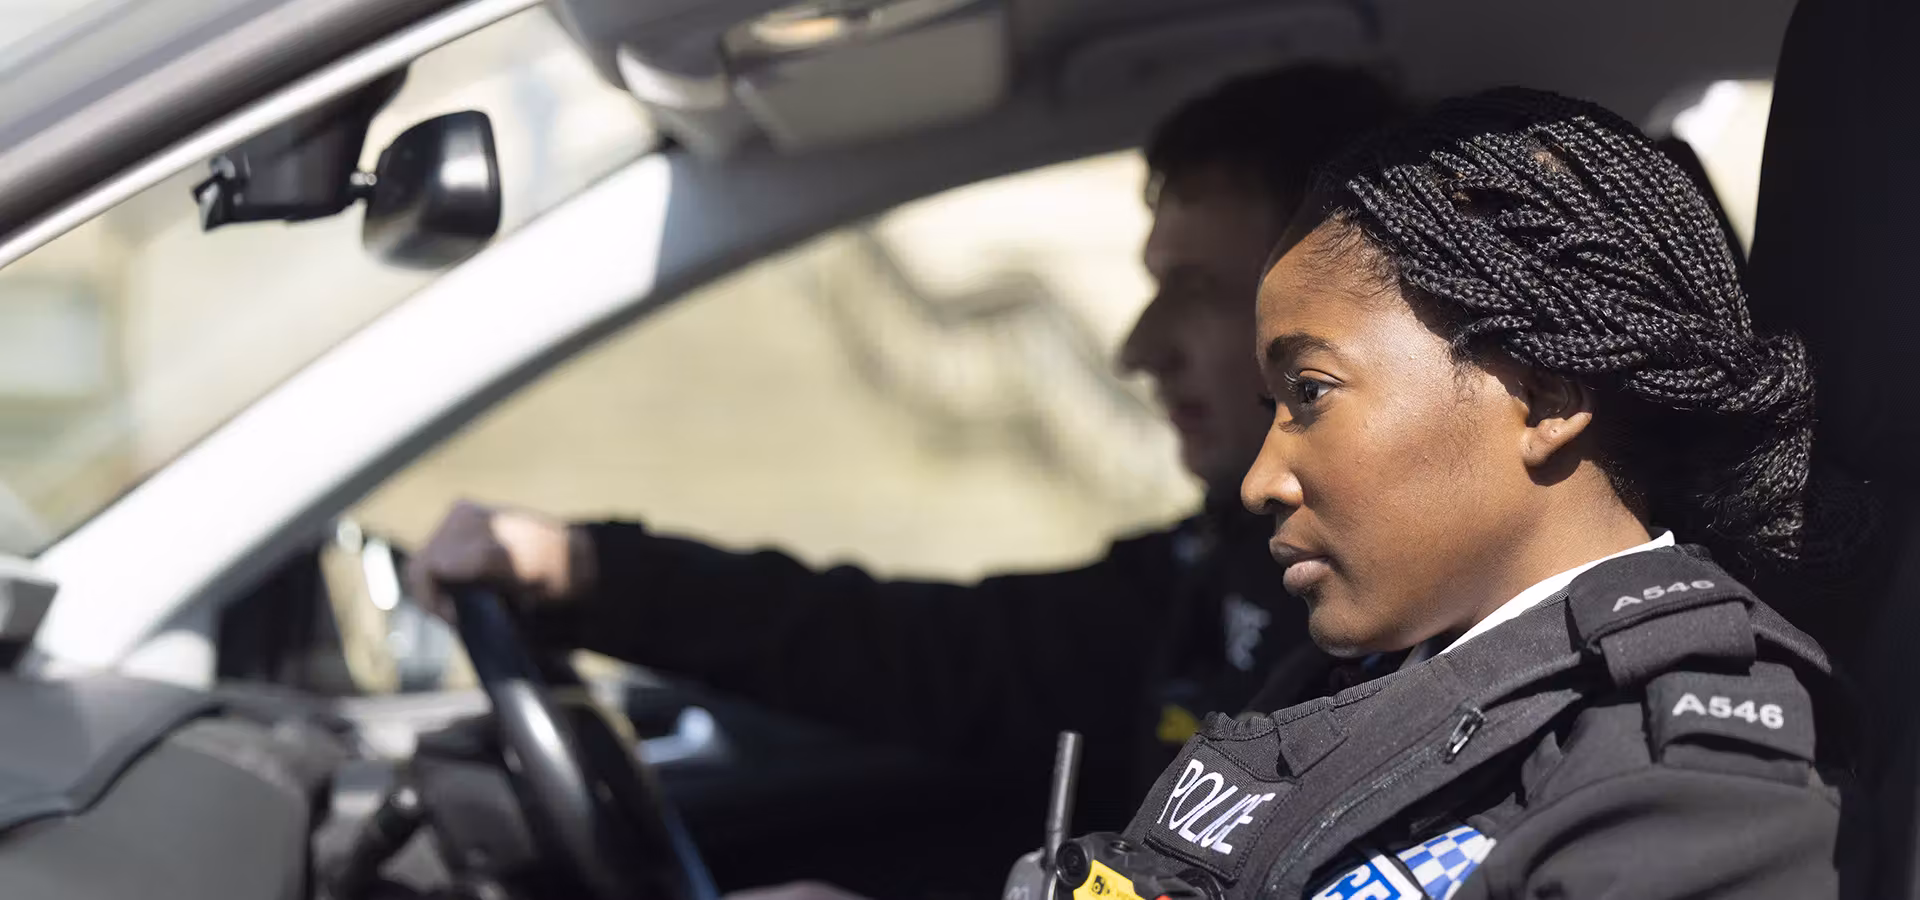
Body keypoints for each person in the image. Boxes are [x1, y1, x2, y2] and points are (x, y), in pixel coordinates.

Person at [409, 67, 1407, 859]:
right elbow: (939, 655)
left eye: (1198, 290)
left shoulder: (1407, 642)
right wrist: (595, 574)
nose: (1138, 350)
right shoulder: (1221, 566)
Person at [1070, 88, 1848, 900]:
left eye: (1310, 392)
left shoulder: (1690, 794)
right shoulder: (1337, 679)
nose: (1261, 482)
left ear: (1544, 400)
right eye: (1272, 409)